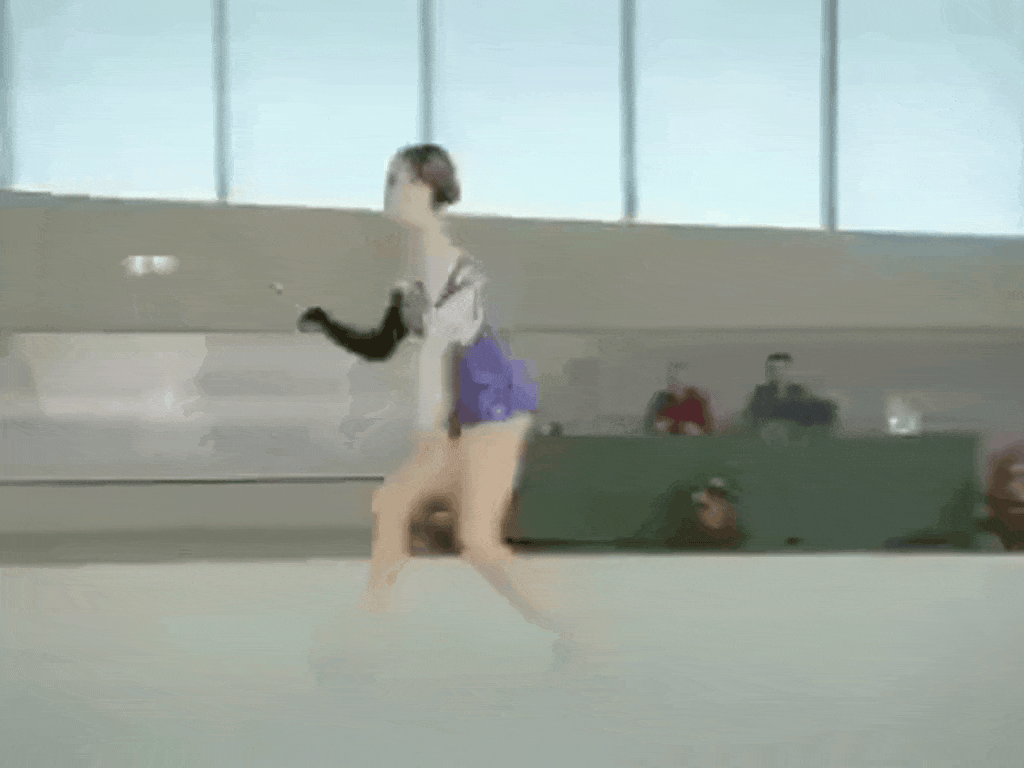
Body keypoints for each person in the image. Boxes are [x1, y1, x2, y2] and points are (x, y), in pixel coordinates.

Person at [298, 144, 574, 652]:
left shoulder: (446, 260)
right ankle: (371, 627)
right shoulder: (413, 270)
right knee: (394, 505)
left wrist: (428, 433)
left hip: (494, 404)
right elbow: (382, 345)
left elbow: (438, 352)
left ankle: (579, 632)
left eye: (399, 179)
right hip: (466, 411)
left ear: (428, 187)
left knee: (479, 543)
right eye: (389, 180)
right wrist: (326, 324)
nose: (389, 190)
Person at [642, 363, 713, 436]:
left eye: (676, 380)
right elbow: (649, 425)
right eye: (670, 379)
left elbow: (708, 431)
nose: (672, 383)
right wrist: (657, 427)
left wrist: (698, 431)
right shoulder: (662, 398)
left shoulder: (698, 400)